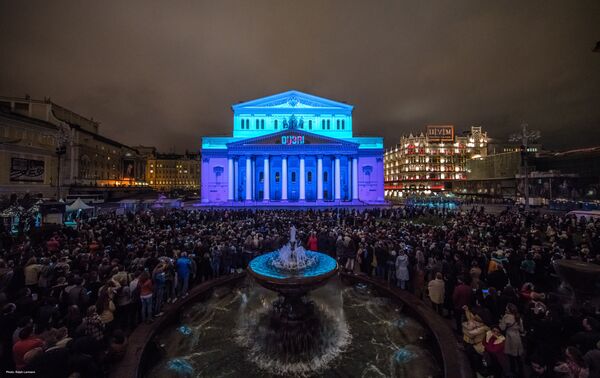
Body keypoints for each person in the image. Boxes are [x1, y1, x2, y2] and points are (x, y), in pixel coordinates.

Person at [499, 303, 525, 377]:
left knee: (511, 356)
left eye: (506, 309)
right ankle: (521, 371)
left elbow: (502, 328)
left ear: (509, 310)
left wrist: (501, 321)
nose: (505, 310)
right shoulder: (518, 317)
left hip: (510, 337)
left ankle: (513, 370)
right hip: (517, 337)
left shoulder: (506, 317)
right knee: (518, 356)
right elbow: (522, 329)